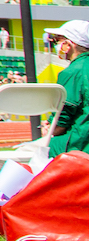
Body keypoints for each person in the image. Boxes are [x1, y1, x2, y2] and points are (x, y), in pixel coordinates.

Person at [42, 20, 89, 157]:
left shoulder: (73, 71)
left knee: (34, 151)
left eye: (57, 41)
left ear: (68, 45)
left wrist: (49, 127)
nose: (56, 44)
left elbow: (60, 122)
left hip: (80, 143)